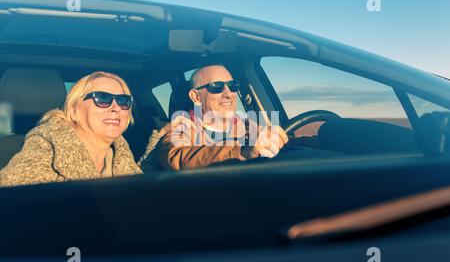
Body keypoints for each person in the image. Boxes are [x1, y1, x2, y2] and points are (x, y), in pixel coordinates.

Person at [0, 71, 142, 187]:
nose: (116, 108)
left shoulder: (120, 155)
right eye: (102, 98)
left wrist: (163, 144)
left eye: (123, 100)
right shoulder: (45, 151)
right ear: (73, 110)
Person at [140, 65, 288, 171]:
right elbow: (179, 159)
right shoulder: (181, 128)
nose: (228, 93)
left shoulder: (250, 127)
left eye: (233, 85)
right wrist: (242, 152)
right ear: (195, 96)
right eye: (216, 87)